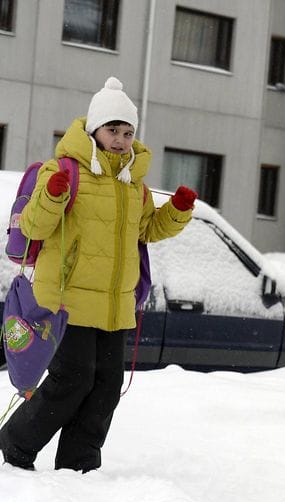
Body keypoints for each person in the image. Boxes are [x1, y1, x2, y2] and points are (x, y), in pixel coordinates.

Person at [0, 77, 196, 473]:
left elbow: (148, 231)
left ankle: (79, 465)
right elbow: (35, 226)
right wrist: (53, 194)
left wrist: (177, 210)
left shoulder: (133, 186)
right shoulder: (65, 171)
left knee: (106, 389)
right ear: (94, 129)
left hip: (114, 305)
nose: (121, 139)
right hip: (67, 300)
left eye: (128, 132)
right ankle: (15, 442)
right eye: (113, 130)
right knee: (71, 380)